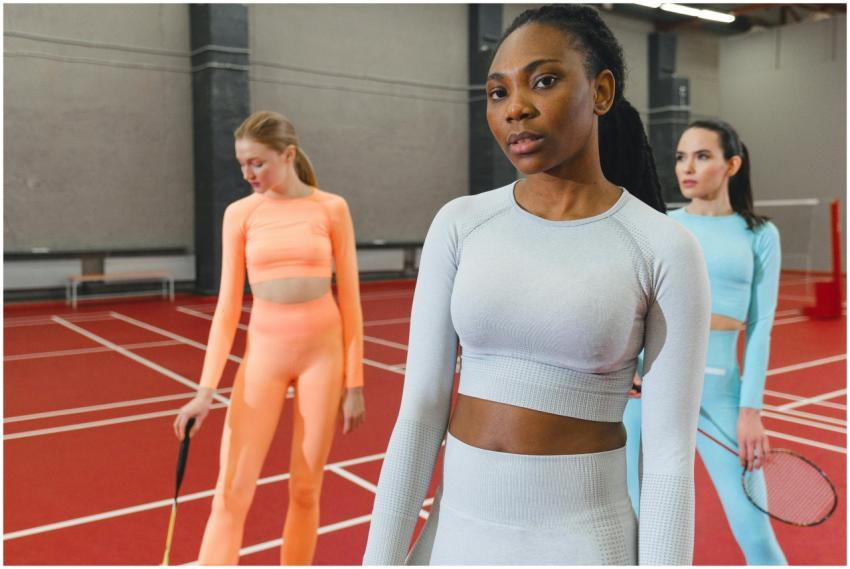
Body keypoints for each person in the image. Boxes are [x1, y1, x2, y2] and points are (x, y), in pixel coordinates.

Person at [363, 5, 710, 565]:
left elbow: (669, 459)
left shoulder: (663, 247)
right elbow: (420, 414)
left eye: (544, 81)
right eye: (497, 92)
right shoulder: (460, 223)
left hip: (583, 544)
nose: (515, 108)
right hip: (455, 540)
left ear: (601, 92)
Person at [172, 111, 366, 565]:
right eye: (242, 164)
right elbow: (226, 308)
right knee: (231, 491)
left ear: (288, 155)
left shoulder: (331, 208)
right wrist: (205, 391)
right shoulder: (240, 214)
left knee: (306, 489)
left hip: (322, 359)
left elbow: (351, 300)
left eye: (257, 163)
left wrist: (354, 383)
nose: (248, 173)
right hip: (264, 357)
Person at [623, 119, 786, 564]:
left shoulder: (760, 235)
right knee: (634, 530)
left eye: (702, 156)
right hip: (649, 391)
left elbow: (761, 325)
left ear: (732, 164)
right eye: (681, 157)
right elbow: (633, 305)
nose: (687, 167)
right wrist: (628, 368)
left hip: (721, 395)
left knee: (756, 533)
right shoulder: (662, 226)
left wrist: (751, 410)